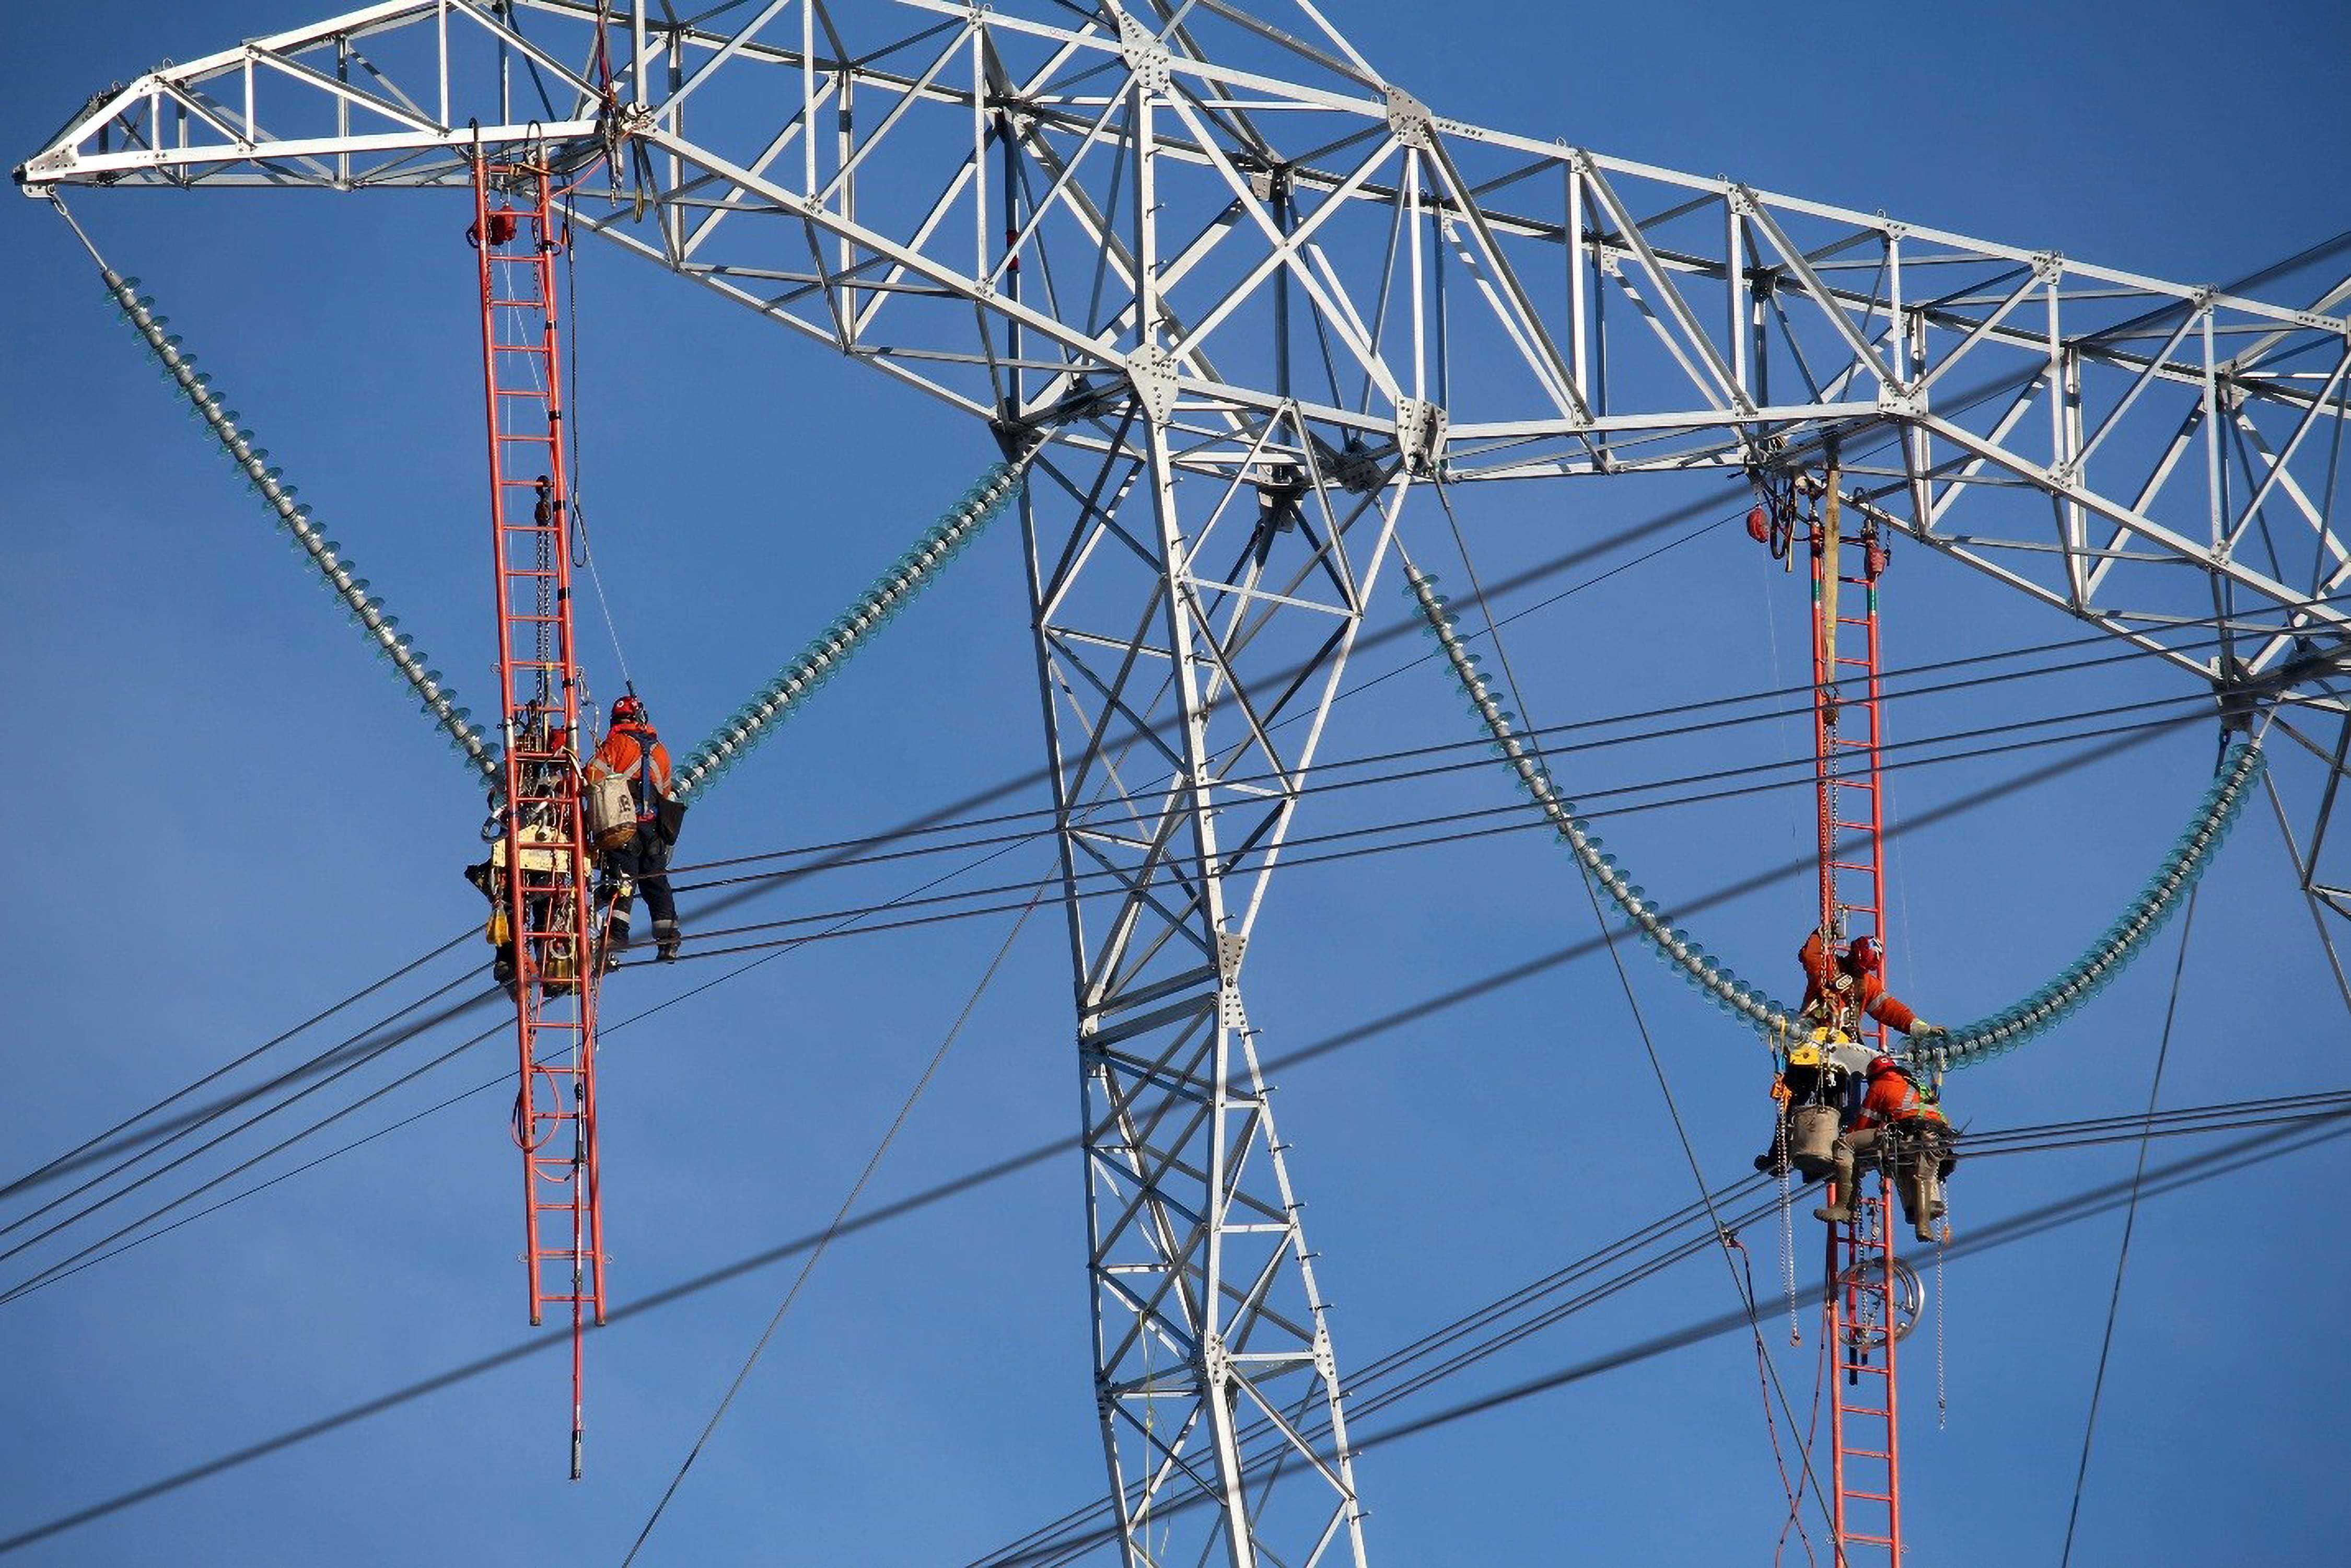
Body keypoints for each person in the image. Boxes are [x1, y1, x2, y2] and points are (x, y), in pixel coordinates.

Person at [1813, 1054, 1957, 1244]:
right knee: (1920, 1175)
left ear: (1873, 1075)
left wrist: (1848, 1132)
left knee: (1846, 1144)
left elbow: (1864, 1123)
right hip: (1938, 1142)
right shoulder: (1918, 1087)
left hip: (1905, 1136)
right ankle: (1923, 1227)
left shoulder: (1880, 1084)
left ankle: (1845, 1208)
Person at [587, 693, 682, 964]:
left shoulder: (615, 744)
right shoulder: (661, 751)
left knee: (623, 880)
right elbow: (665, 791)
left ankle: (616, 937)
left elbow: (594, 777)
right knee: (656, 882)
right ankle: (668, 941)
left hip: (623, 824)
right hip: (653, 828)